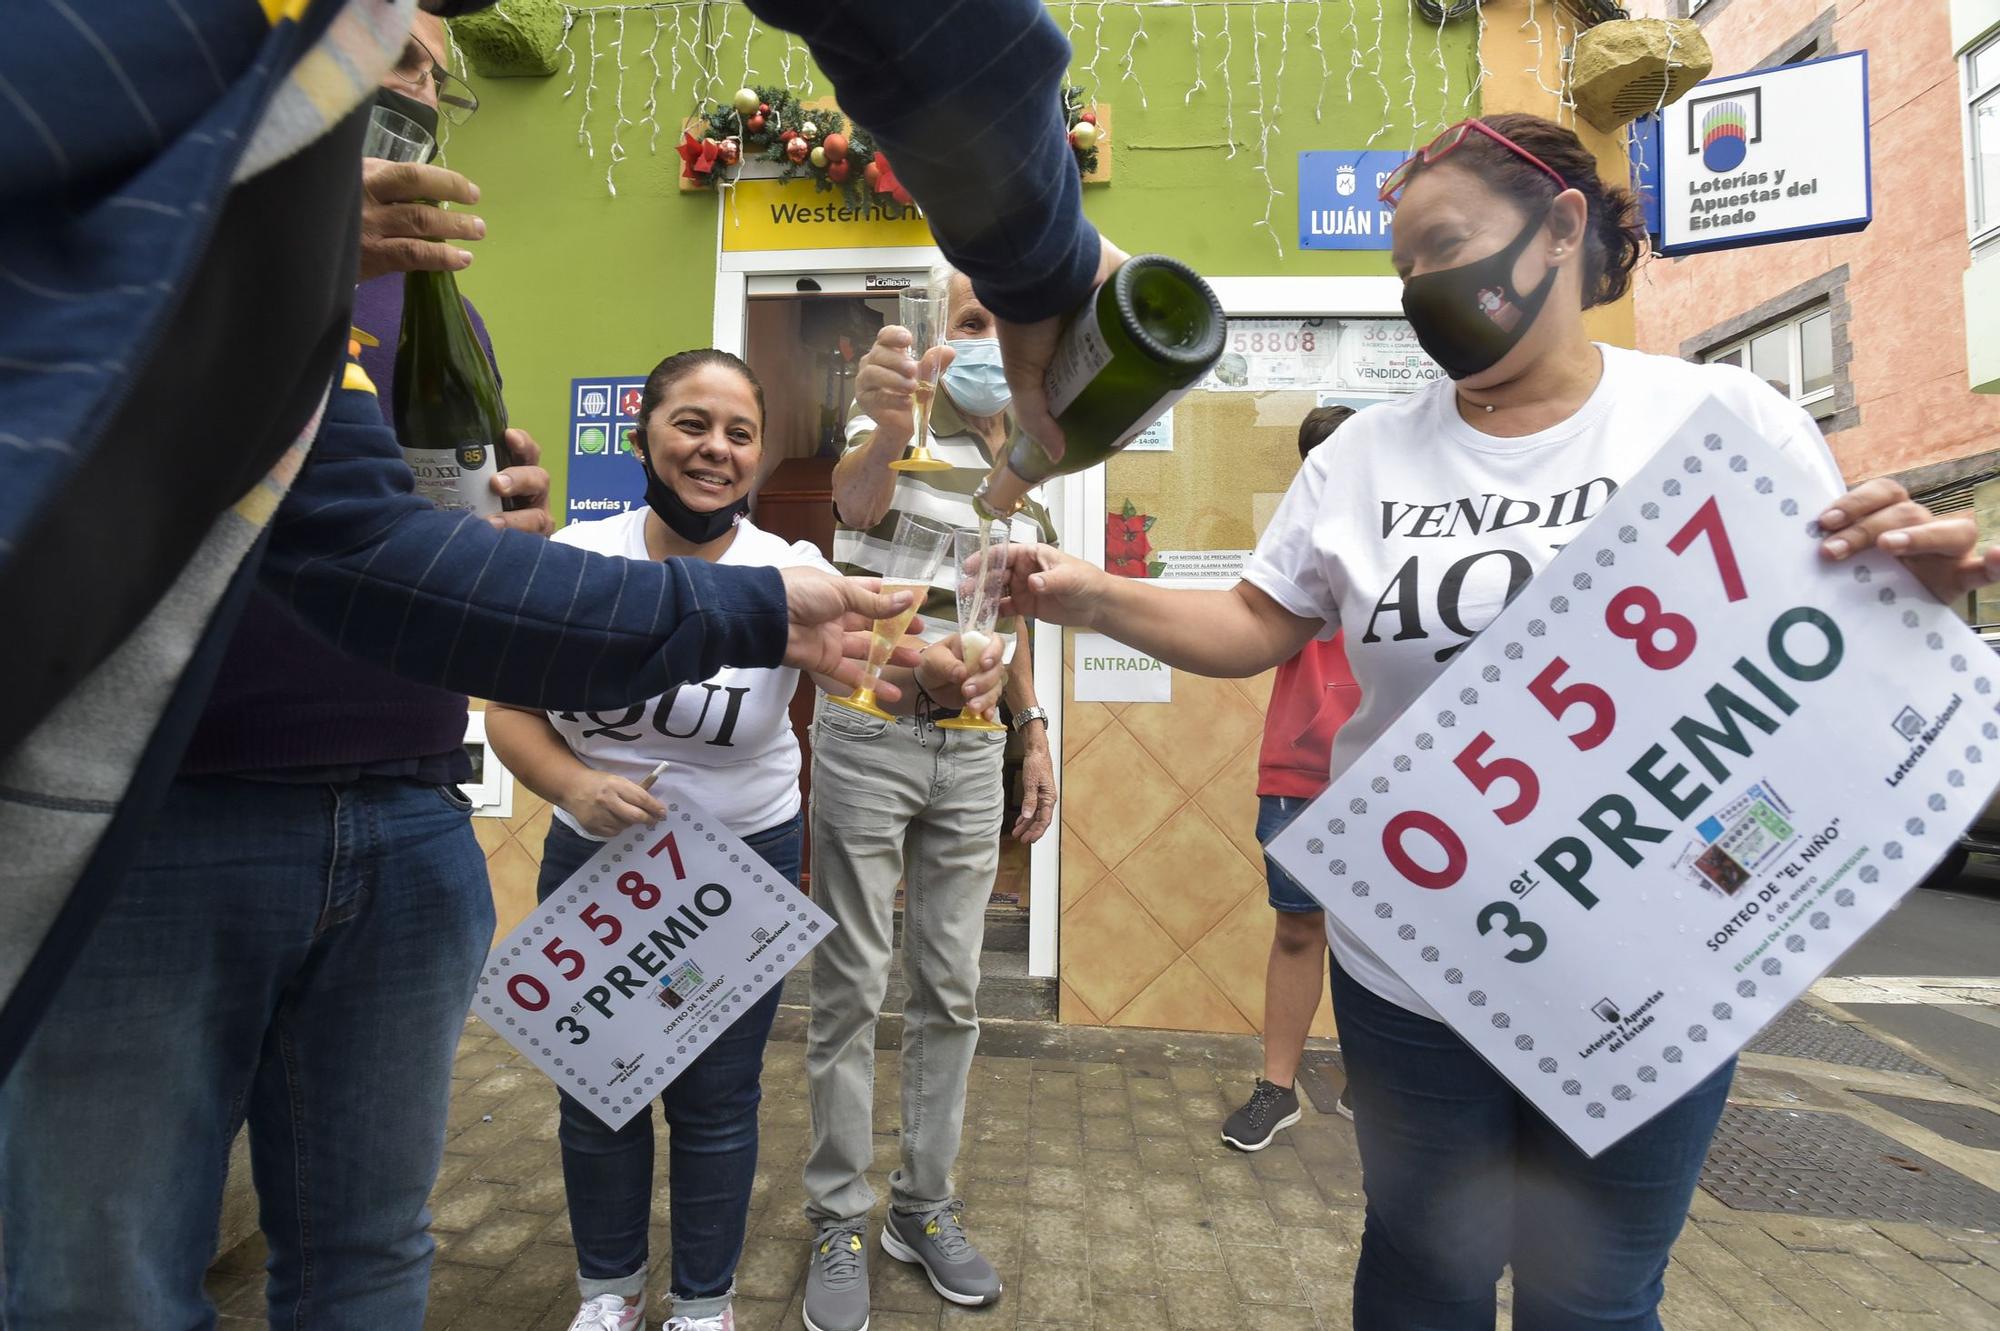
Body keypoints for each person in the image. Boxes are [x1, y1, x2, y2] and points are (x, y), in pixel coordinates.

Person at [999, 113, 2000, 1329]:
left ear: (1560, 227)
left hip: (1657, 952)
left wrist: (1905, 589)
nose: (1419, 287)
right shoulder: (1362, 457)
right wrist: (1087, 591)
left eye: (1442, 247)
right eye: (1400, 266)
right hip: (1411, 961)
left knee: (1596, 1291)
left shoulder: (1722, 421)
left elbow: (1825, 635)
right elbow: (1256, 624)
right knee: (1422, 1275)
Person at [0, 0, 1116, 1082]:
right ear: (639, 433)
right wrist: (1043, 270)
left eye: (435, 75)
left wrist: (786, 614)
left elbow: (361, 545)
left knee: (449, 1213)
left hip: (425, 806)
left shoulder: (335, 298)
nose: (415, 95)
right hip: (140, 827)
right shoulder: (128, 142)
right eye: (391, 54)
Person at [487, 349, 1003, 1331]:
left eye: (738, 433)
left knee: (716, 1098)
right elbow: (510, 709)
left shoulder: (793, 573)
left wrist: (951, 671)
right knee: (599, 1088)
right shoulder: (573, 561)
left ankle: (702, 1300)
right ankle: (609, 1288)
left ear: (760, 458)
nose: (713, 450)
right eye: (691, 423)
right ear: (643, 429)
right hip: (595, 860)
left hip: (734, 870)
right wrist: (573, 782)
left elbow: (878, 659)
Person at [801, 268, 1058, 1331]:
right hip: (870, 736)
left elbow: (1007, 612)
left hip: (971, 748)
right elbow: (851, 506)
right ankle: (834, 1216)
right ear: (937, 330)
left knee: (951, 989)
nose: (988, 340)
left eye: (1006, 325)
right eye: (970, 320)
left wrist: (1031, 729)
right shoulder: (887, 430)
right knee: (852, 987)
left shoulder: (1026, 465)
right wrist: (887, 423)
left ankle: (923, 1205)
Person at [1221, 406, 1362, 1152]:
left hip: (1397, 771)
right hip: (1302, 767)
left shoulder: (1411, 543)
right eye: (1322, 458)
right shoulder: (1291, 544)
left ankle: (1373, 1079)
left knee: (1389, 939)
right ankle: (1277, 1089)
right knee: (1301, 927)